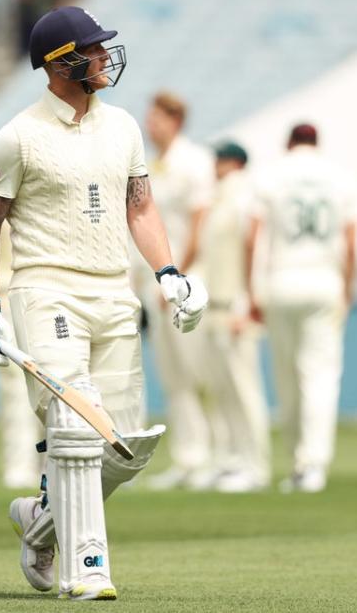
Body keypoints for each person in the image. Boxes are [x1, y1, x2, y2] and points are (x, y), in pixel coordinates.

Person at [0, 6, 207, 600]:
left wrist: (168, 271)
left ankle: (40, 524)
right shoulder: (17, 137)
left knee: (123, 443)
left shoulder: (122, 126)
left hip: (112, 289)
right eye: (93, 50)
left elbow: (140, 207)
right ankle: (87, 566)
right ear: (62, 63)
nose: (104, 57)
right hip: (45, 289)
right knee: (75, 427)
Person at [245, 123, 357, 494]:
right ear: (316, 143)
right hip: (324, 280)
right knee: (320, 377)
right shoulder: (339, 177)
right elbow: (351, 241)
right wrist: (347, 289)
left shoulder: (272, 175)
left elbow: (254, 236)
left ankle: (296, 463)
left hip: (281, 279)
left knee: (286, 376)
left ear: (289, 143)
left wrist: (252, 290)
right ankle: (313, 466)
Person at [141, 91, 218, 490]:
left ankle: (214, 458)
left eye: (157, 119)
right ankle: (189, 460)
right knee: (173, 375)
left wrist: (177, 276)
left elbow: (200, 222)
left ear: (176, 121)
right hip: (157, 283)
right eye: (149, 118)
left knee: (198, 370)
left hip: (186, 282)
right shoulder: (153, 165)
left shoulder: (194, 161)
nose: (150, 125)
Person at [192, 142, 271, 492]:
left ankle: (257, 466)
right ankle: (232, 460)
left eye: (220, 161)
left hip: (236, 305)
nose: (215, 166)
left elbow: (256, 246)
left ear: (234, 163)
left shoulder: (246, 195)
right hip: (217, 307)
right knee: (222, 389)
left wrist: (250, 299)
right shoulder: (221, 197)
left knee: (244, 389)